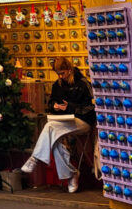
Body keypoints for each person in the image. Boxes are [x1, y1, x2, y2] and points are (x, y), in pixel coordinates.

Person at [20, 57, 95, 192]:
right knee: (53, 138)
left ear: (70, 70)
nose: (60, 76)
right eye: (58, 74)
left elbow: (91, 107)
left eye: (62, 73)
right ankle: (71, 173)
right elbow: (51, 102)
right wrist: (54, 106)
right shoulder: (57, 85)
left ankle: (35, 158)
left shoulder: (83, 83)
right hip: (64, 122)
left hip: (82, 122)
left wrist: (70, 107)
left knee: (50, 127)